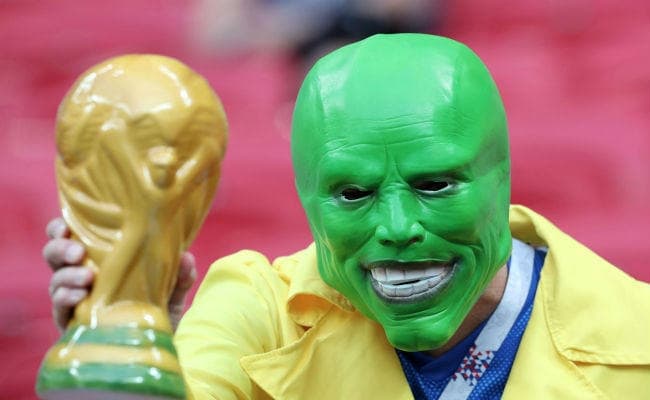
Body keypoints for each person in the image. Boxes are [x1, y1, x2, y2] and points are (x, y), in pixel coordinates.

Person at [44, 34, 650, 399]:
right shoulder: (260, 313)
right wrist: (127, 333)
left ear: (503, 181)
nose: (397, 227)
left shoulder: (638, 338)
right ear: (306, 200)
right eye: (353, 194)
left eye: (435, 185)